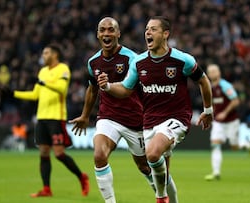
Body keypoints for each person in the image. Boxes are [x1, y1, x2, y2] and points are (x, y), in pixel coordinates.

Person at [97, 16, 213, 203]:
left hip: (177, 119)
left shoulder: (183, 60)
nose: (147, 33)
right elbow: (126, 89)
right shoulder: (139, 62)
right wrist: (108, 87)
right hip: (150, 122)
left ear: (165, 34)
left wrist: (208, 110)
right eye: (146, 29)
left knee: (152, 153)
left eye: (153, 29)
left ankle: (160, 198)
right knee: (163, 174)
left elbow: (203, 81)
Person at [69, 17, 178, 203]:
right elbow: (92, 88)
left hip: (136, 121)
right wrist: (85, 115)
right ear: (97, 34)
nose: (106, 33)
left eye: (110, 30)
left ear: (118, 33)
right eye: (102, 30)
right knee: (99, 155)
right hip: (108, 117)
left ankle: (167, 197)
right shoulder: (93, 62)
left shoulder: (132, 59)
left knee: (147, 167)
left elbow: (147, 87)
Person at [3, 44, 90, 197]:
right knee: (43, 153)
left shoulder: (63, 69)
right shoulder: (42, 71)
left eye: (46, 53)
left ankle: (82, 177)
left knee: (58, 154)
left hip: (56, 117)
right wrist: (14, 93)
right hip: (41, 117)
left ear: (55, 55)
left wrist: (45, 83)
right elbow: (35, 94)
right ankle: (46, 189)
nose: (43, 56)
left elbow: (62, 89)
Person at [204, 64, 250, 181]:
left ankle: (246, 145)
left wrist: (225, 113)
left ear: (219, 72)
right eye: (210, 71)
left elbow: (236, 101)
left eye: (214, 71)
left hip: (231, 121)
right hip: (218, 122)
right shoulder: (209, 87)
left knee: (234, 147)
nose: (212, 73)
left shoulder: (225, 86)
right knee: (215, 144)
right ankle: (216, 173)